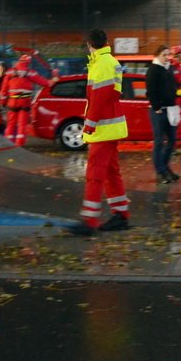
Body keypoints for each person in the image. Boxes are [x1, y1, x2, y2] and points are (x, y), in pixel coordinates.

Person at [70, 29, 130, 236]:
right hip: (110, 126)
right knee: (112, 172)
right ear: (106, 42)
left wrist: (90, 125)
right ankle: (120, 214)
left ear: (89, 45)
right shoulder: (109, 61)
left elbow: (99, 98)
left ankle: (89, 220)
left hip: (103, 128)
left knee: (94, 174)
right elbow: (111, 95)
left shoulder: (101, 64)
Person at [0, 54, 55, 146]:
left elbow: (3, 90)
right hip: (24, 102)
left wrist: (2, 102)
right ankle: (19, 145)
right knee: (22, 125)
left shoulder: (10, 72)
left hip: (12, 102)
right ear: (28, 62)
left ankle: (7, 144)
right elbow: (44, 83)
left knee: (11, 124)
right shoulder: (30, 72)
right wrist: (53, 80)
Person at [146, 44, 179, 183]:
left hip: (171, 108)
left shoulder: (169, 68)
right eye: (164, 55)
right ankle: (160, 171)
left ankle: (165, 167)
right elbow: (150, 90)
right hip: (159, 110)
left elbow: (173, 86)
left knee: (172, 140)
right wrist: (156, 107)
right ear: (158, 55)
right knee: (159, 141)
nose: (167, 57)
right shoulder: (153, 69)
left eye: (168, 54)